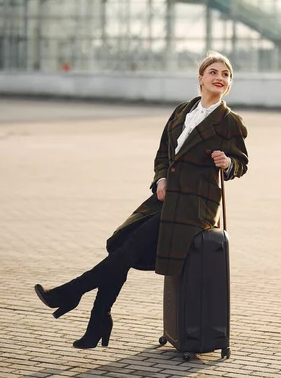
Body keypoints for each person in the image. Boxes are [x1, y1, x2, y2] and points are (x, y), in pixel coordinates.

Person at [34, 51, 249, 349]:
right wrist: (160, 179)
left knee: (127, 251)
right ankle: (96, 319)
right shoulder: (182, 111)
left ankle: (72, 293)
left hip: (195, 207)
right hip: (165, 198)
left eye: (226, 75)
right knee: (122, 248)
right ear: (200, 78)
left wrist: (227, 162)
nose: (219, 78)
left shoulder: (230, 122)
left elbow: (241, 164)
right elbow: (163, 154)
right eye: (213, 72)